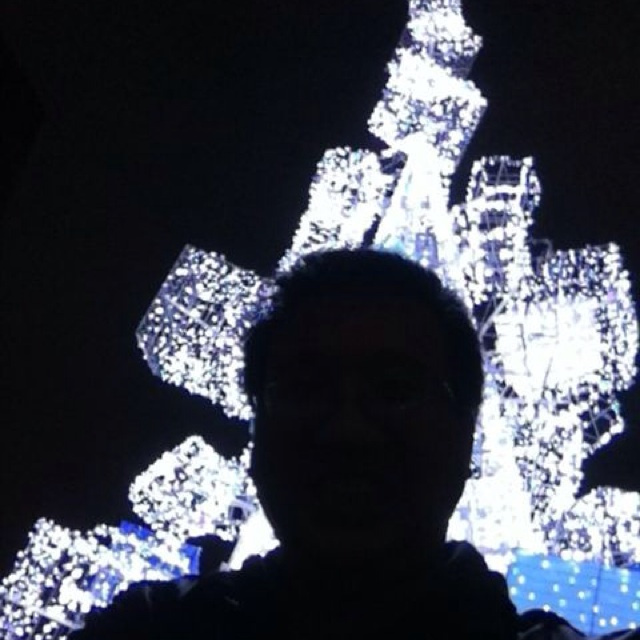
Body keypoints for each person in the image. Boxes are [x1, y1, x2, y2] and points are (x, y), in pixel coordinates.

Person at [71, 248, 639, 640]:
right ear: (257, 428)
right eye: (304, 389)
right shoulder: (147, 629)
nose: (349, 430)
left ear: (466, 434)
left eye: (394, 391)